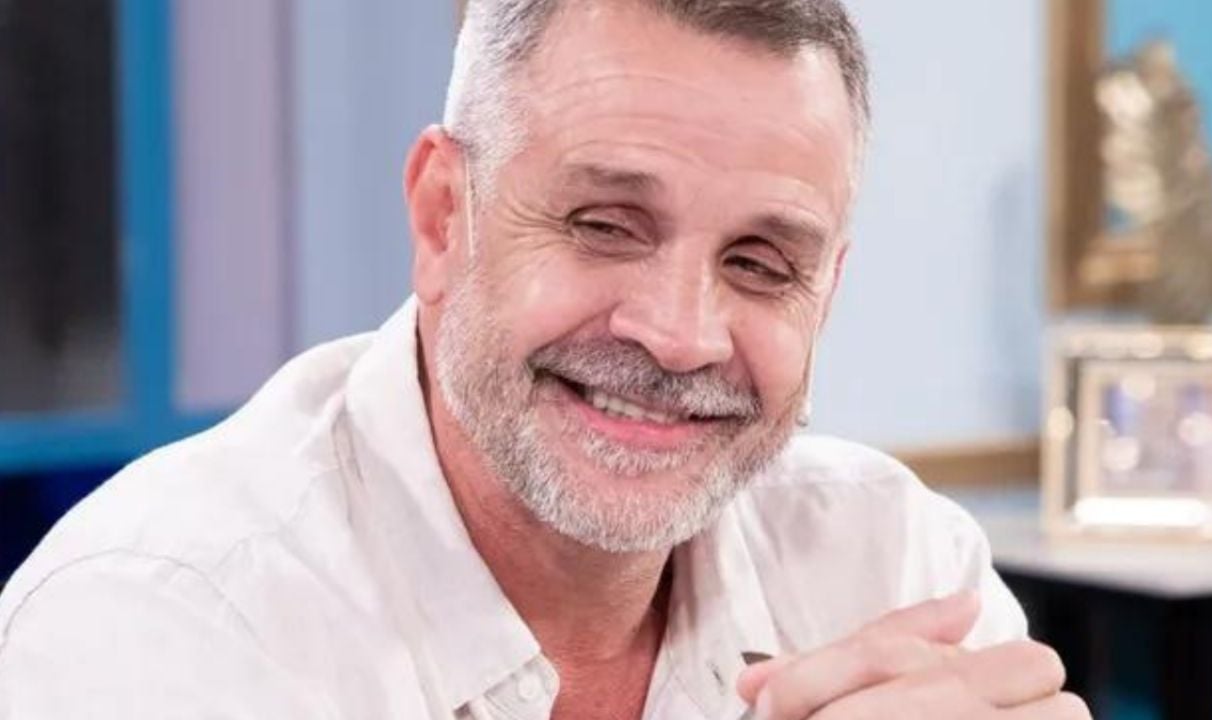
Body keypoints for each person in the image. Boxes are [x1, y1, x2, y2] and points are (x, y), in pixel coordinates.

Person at [0, 1, 1089, 718]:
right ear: (442, 219)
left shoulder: (894, 565)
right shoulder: (161, 620)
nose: (680, 334)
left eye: (761, 264)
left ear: (826, 291)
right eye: (604, 226)